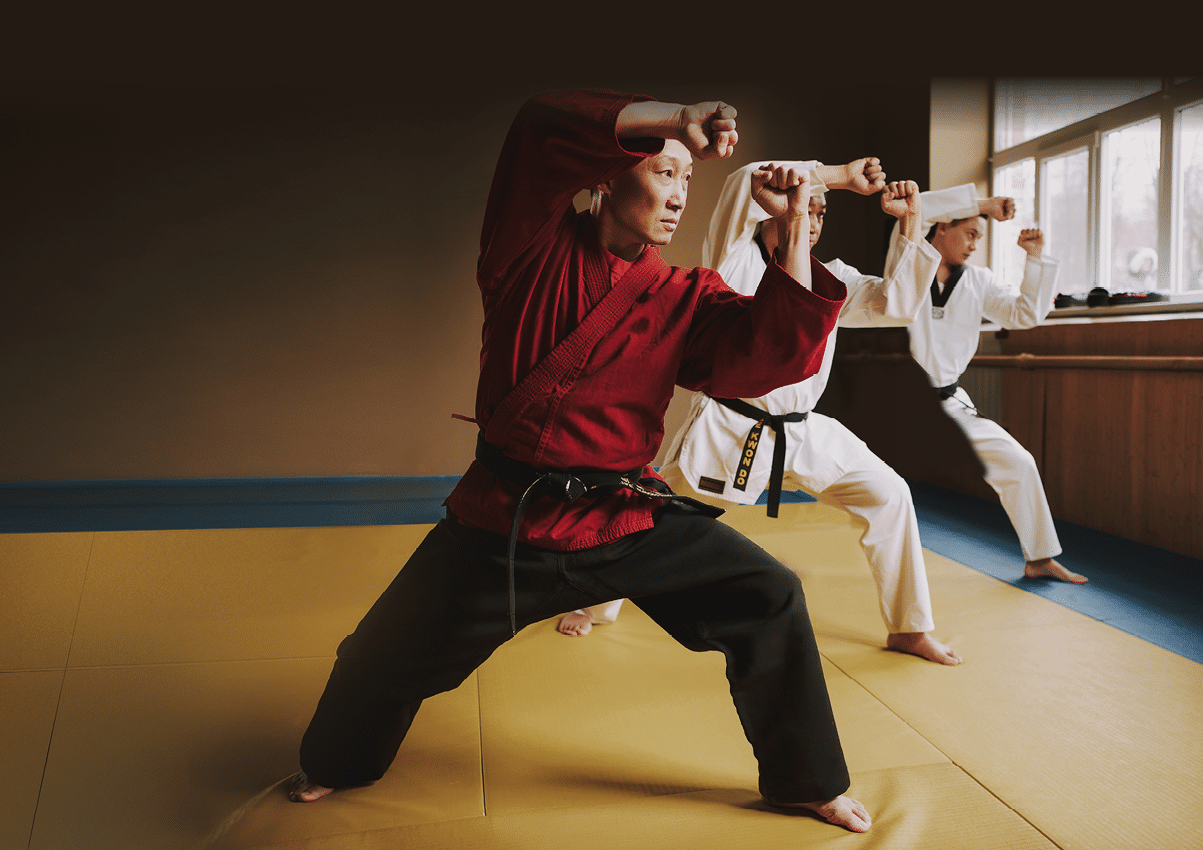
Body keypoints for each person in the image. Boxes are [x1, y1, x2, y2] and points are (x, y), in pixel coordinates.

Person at [289, 91, 872, 832]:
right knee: (380, 654)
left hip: (624, 517)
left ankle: (804, 780)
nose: (677, 194)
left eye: (686, 181)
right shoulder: (528, 245)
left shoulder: (683, 295)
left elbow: (766, 361)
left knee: (771, 593)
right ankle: (336, 764)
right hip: (506, 519)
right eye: (663, 172)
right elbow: (538, 129)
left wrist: (791, 232)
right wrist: (671, 122)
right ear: (609, 174)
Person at [559, 158, 964, 666]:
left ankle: (910, 628)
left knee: (890, 495)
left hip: (805, 431)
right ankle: (596, 606)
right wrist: (838, 176)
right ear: (770, 209)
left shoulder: (831, 278)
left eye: (820, 214)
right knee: (651, 515)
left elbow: (897, 304)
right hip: (731, 428)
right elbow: (740, 183)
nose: (811, 222)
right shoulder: (735, 256)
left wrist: (909, 223)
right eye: (804, 208)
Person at [885, 187, 1086, 583]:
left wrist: (1034, 258)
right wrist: (986, 206)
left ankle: (1040, 557)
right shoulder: (908, 260)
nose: (976, 244)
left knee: (1019, 462)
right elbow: (919, 207)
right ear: (941, 227)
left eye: (980, 236)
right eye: (971, 233)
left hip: (949, 403)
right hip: (895, 405)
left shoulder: (979, 281)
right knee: (871, 487)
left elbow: (1024, 314)